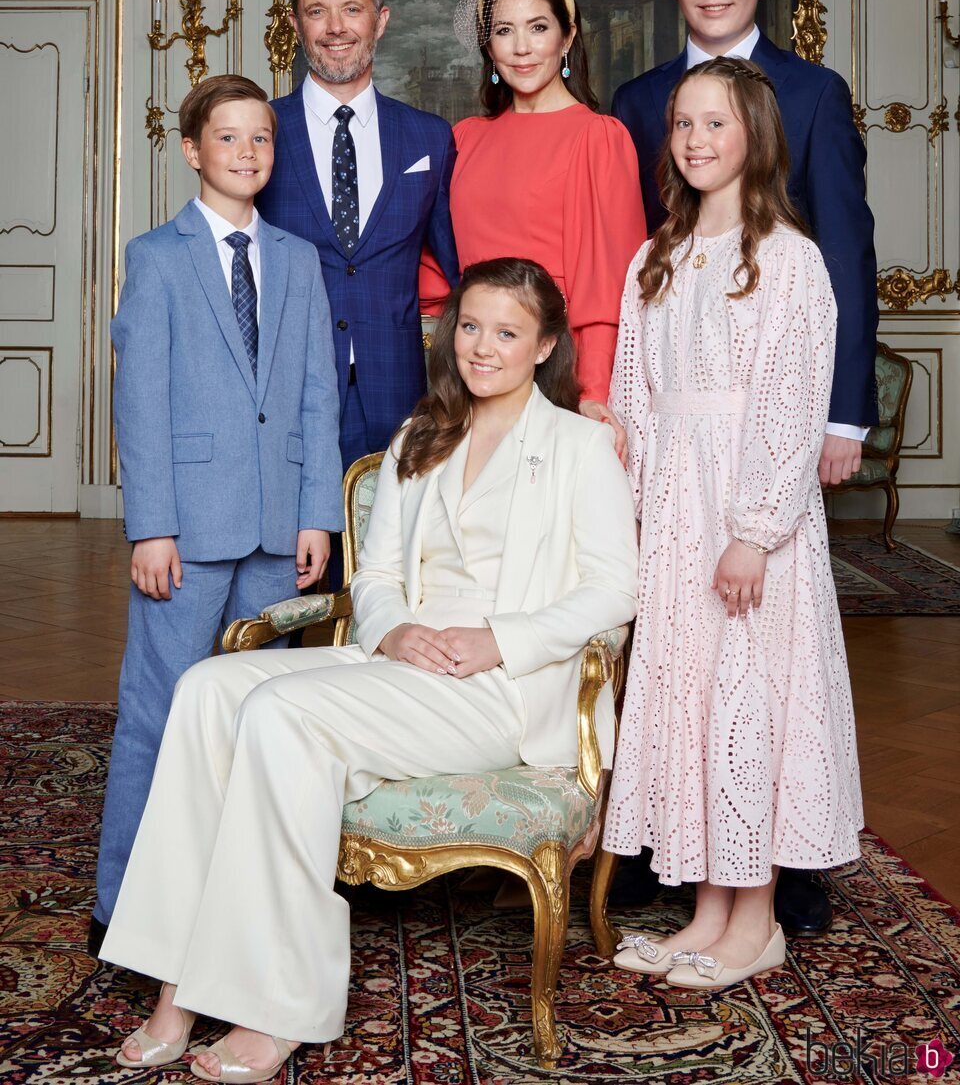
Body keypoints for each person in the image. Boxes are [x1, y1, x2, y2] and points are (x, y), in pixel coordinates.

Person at [99, 258, 639, 1082]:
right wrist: (392, 632)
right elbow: (377, 578)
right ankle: (178, 979)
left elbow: (616, 588)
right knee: (206, 689)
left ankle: (275, 1001)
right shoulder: (419, 437)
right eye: (469, 326)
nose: (481, 347)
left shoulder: (578, 444)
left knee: (282, 716)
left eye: (506, 332)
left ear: (546, 345)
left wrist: (501, 637)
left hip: (498, 688)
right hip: (403, 663)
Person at [609, 0, 877, 929]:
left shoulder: (807, 116)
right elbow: (639, 368)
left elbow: (837, 266)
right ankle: (697, 884)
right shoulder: (646, 157)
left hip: (750, 468)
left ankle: (768, 890)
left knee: (757, 677)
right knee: (683, 680)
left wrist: (835, 424)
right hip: (674, 481)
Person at [90, 75, 344, 956]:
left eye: (261, 139)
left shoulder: (300, 258)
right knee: (160, 707)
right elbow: (141, 403)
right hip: (188, 529)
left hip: (279, 529)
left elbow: (318, 395)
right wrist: (150, 526)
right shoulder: (158, 256)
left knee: (254, 712)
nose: (246, 153)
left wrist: (319, 514)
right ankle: (122, 899)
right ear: (194, 150)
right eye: (227, 138)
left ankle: (228, 893)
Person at [420, 0, 647, 447]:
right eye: (504, 31)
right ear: (489, 48)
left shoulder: (600, 138)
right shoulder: (465, 138)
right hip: (469, 367)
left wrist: (593, 391)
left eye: (538, 27)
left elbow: (609, 284)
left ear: (567, 38)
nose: (522, 47)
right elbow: (436, 265)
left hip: (556, 370)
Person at [256, 0, 459, 475]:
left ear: (380, 20)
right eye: (316, 11)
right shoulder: (263, 132)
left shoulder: (429, 138)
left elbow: (460, 271)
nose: (335, 27)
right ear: (297, 25)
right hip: (286, 385)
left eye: (351, 9)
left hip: (399, 388)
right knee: (296, 555)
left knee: (392, 553)